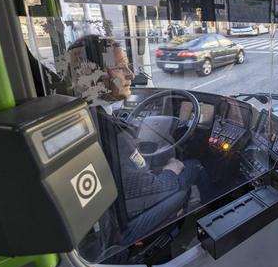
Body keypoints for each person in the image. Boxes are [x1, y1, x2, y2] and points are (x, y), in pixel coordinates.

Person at [67, 34, 206, 248]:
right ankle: (204, 225)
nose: (131, 74)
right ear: (93, 77)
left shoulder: (80, 117)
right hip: (120, 230)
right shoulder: (111, 133)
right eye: (121, 68)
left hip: (103, 219)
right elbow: (153, 191)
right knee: (192, 165)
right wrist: (170, 169)